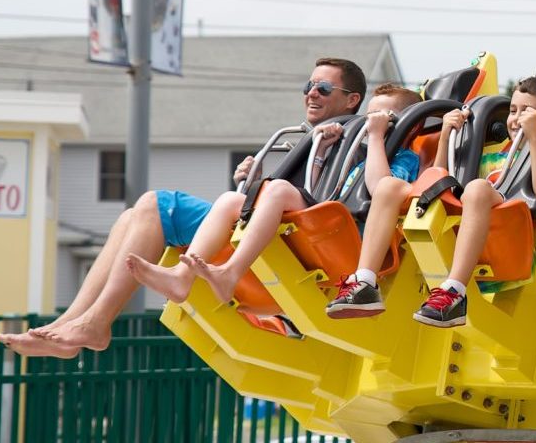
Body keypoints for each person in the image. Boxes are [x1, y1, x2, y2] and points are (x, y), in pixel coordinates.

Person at [0, 58, 367, 358]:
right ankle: (72, 324)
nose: (311, 94)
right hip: (264, 227)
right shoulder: (307, 138)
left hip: (294, 247)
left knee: (161, 204)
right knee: (137, 213)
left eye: (323, 88)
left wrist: (327, 148)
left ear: (352, 99)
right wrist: (253, 177)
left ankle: (95, 323)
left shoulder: (355, 140)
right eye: (308, 87)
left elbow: (325, 199)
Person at [129, 84, 423, 305]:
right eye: (370, 116)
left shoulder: (406, 158)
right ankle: (182, 278)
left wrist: (374, 136)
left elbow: (377, 188)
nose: (372, 122)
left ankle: (231, 272)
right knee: (232, 200)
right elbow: (318, 191)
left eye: (383, 117)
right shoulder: (359, 154)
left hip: (352, 237)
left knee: (280, 189)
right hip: (329, 223)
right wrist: (320, 152)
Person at [326, 77, 536, 328]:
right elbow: (437, 183)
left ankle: (455, 293)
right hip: (460, 241)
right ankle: (364, 282)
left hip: (512, 247)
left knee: (477, 188)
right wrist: (445, 137)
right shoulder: (492, 156)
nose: (516, 119)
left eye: (527, 111)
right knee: (388, 186)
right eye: (513, 110)